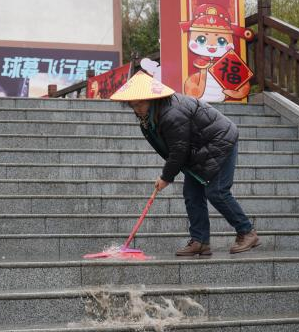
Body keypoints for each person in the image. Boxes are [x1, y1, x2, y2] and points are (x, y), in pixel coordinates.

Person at [110, 71, 259, 255]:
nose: (137, 108)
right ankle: (200, 241)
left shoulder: (171, 113)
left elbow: (178, 149)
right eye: (133, 105)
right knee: (192, 193)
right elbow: (175, 148)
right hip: (198, 150)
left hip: (220, 141)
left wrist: (166, 177)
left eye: (140, 103)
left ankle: (246, 232)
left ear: (152, 99)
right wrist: (170, 172)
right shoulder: (148, 117)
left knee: (217, 191)